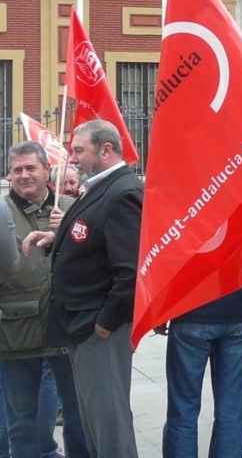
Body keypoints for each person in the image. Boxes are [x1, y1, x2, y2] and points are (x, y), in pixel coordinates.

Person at [25, 120, 142, 458]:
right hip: (80, 325)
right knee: (95, 421)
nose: (72, 157)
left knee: (110, 425)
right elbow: (94, 237)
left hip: (98, 329)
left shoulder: (123, 191)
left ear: (106, 150)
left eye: (78, 150)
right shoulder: (100, 187)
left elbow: (129, 271)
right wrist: (54, 239)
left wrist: (105, 324)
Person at [161, 195, 242, 456]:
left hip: (192, 311)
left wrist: (162, 308)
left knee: (183, 411)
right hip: (241, 309)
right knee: (231, 412)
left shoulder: (186, 190)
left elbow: (164, 250)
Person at [0, 142, 85, 458]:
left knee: (78, 418)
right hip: (15, 333)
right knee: (22, 422)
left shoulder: (73, 207)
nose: (23, 175)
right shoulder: (1, 213)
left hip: (68, 331)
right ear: (9, 174)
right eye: (17, 170)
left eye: (30, 168)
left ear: (47, 170)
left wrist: (67, 231)